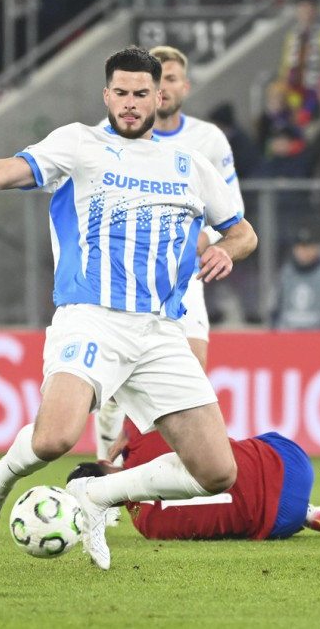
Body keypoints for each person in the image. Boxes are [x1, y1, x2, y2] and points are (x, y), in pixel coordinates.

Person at [0, 47, 258, 570]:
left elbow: (243, 231)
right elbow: (0, 173)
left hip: (161, 329)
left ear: (160, 97)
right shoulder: (78, 144)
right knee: (54, 439)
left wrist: (226, 250)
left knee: (216, 472)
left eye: (142, 94)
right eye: (122, 93)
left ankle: (98, 495)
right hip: (92, 315)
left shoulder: (192, 165)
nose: (131, 104)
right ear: (106, 95)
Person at [91, 44, 247, 460]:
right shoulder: (106, 138)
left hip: (183, 273)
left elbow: (232, 209)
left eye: (173, 78)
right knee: (110, 386)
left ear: (180, 85)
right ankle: (110, 460)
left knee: (192, 370)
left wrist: (211, 241)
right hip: (123, 277)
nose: (164, 90)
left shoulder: (206, 139)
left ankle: (159, 468)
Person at [68, 420, 320, 541]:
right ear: (104, 463)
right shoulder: (140, 437)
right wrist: (129, 427)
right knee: (235, 449)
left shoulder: (146, 526)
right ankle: (304, 508)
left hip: (278, 522)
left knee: (233, 509)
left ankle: (303, 513)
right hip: (291, 464)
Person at [271, 226, 320, 330]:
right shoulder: (284, 275)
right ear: (295, 249)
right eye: (301, 247)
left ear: (316, 249)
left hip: (318, 340)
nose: (305, 252)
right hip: (287, 339)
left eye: (310, 247)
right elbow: (274, 308)